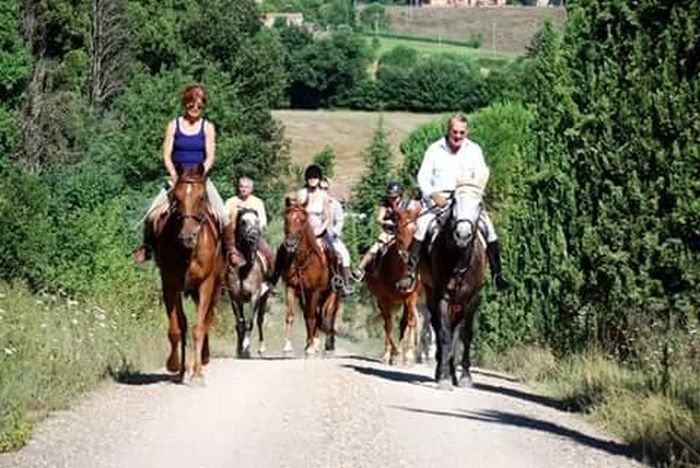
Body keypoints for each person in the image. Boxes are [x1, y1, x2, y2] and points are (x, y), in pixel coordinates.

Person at [133, 83, 243, 267]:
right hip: (178, 179)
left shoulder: (207, 127)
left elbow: (210, 156)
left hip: (199, 180)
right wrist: (174, 175)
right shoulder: (174, 125)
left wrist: (201, 174)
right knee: (152, 213)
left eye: (199, 106)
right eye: (191, 105)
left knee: (223, 214)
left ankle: (231, 251)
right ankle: (147, 248)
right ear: (186, 104)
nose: (195, 109)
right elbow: (167, 155)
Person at [396, 114, 510, 292]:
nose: (457, 136)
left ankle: (497, 275)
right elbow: (423, 176)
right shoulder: (435, 149)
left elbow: (481, 175)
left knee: (490, 230)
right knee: (422, 226)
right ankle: (410, 273)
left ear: (467, 132)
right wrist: (433, 194)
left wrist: (473, 194)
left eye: (461, 133)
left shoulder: (474, 150)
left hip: (466, 199)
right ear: (448, 130)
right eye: (454, 132)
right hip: (439, 200)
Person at [352, 180, 418, 281]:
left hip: (405, 233)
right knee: (376, 247)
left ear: (400, 195)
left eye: (395, 197)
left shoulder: (407, 204)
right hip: (390, 232)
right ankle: (360, 268)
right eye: (390, 197)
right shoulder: (385, 205)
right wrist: (386, 222)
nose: (392, 199)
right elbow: (379, 219)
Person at [225, 176, 274, 272]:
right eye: (241, 186)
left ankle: (270, 280)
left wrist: (257, 229)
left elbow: (263, 221)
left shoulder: (258, 202)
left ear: (251, 189)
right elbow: (225, 219)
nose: (243, 189)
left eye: (246, 187)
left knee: (268, 252)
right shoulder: (230, 202)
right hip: (233, 236)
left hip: (253, 236)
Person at [319, 177, 354, 296]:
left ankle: (345, 283)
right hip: (314, 237)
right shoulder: (311, 203)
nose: (323, 190)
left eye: (325, 188)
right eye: (320, 188)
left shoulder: (335, 204)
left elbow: (340, 221)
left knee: (345, 256)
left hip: (331, 238)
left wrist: (334, 232)